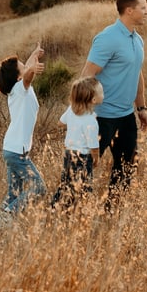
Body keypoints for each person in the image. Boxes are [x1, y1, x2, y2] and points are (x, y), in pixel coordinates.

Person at [82, 0, 147, 211]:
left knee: (125, 169)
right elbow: (86, 76)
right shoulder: (107, 38)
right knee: (81, 170)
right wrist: (82, 115)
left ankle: (111, 213)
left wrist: (141, 107)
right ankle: (62, 215)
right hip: (101, 118)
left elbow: (136, 72)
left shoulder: (137, 39)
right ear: (129, 10)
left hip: (125, 117)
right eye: (143, 8)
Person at [0, 43, 46, 223]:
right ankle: (8, 215)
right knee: (39, 188)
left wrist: (34, 55)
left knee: (14, 193)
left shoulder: (18, 90)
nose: (26, 67)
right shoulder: (21, 88)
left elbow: (25, 72)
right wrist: (32, 68)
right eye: (23, 67)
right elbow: (27, 75)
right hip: (17, 151)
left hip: (12, 149)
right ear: (18, 77)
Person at [50, 76, 103, 211]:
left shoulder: (71, 110)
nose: (104, 94)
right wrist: (96, 159)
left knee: (66, 183)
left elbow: (60, 123)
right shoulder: (91, 121)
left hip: (69, 154)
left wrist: (74, 126)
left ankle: (54, 208)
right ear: (94, 99)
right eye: (101, 92)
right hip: (83, 158)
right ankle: (80, 213)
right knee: (84, 187)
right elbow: (94, 147)